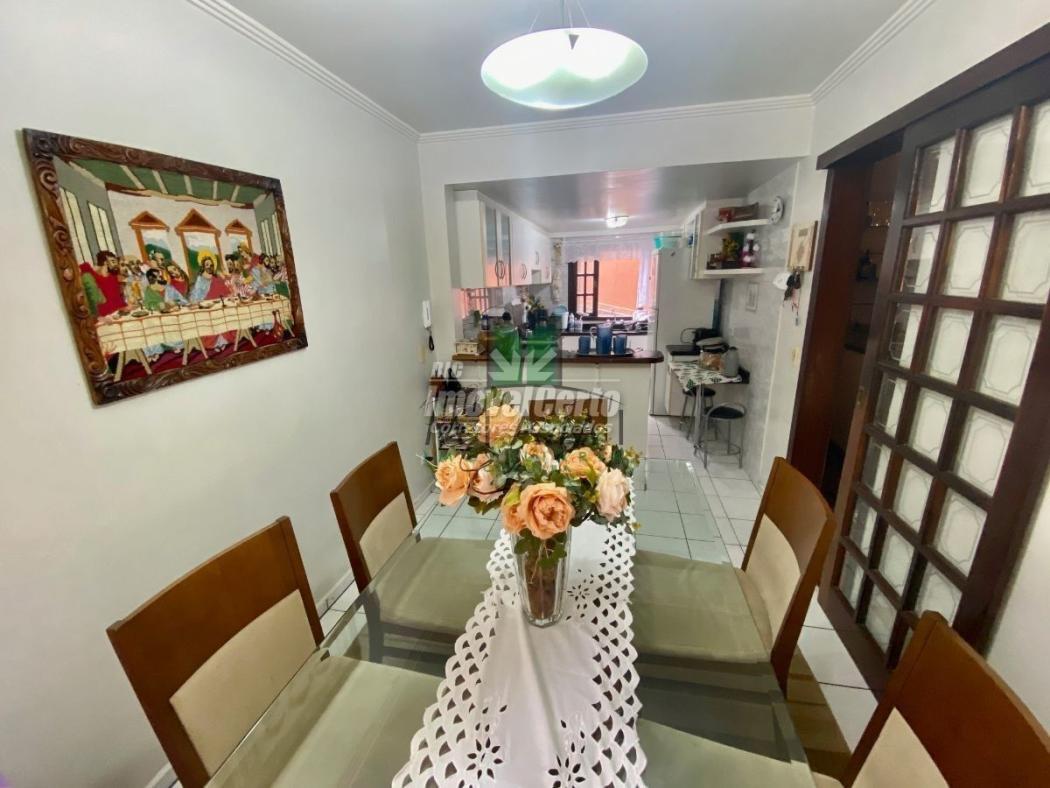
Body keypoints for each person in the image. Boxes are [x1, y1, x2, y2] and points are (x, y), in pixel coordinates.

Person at [79, 251, 126, 318]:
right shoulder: (95, 276)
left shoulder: (113, 277)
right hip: (106, 314)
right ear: (105, 262)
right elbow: (83, 266)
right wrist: (99, 266)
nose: (115, 264)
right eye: (112, 261)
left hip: (120, 310)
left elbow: (118, 298)